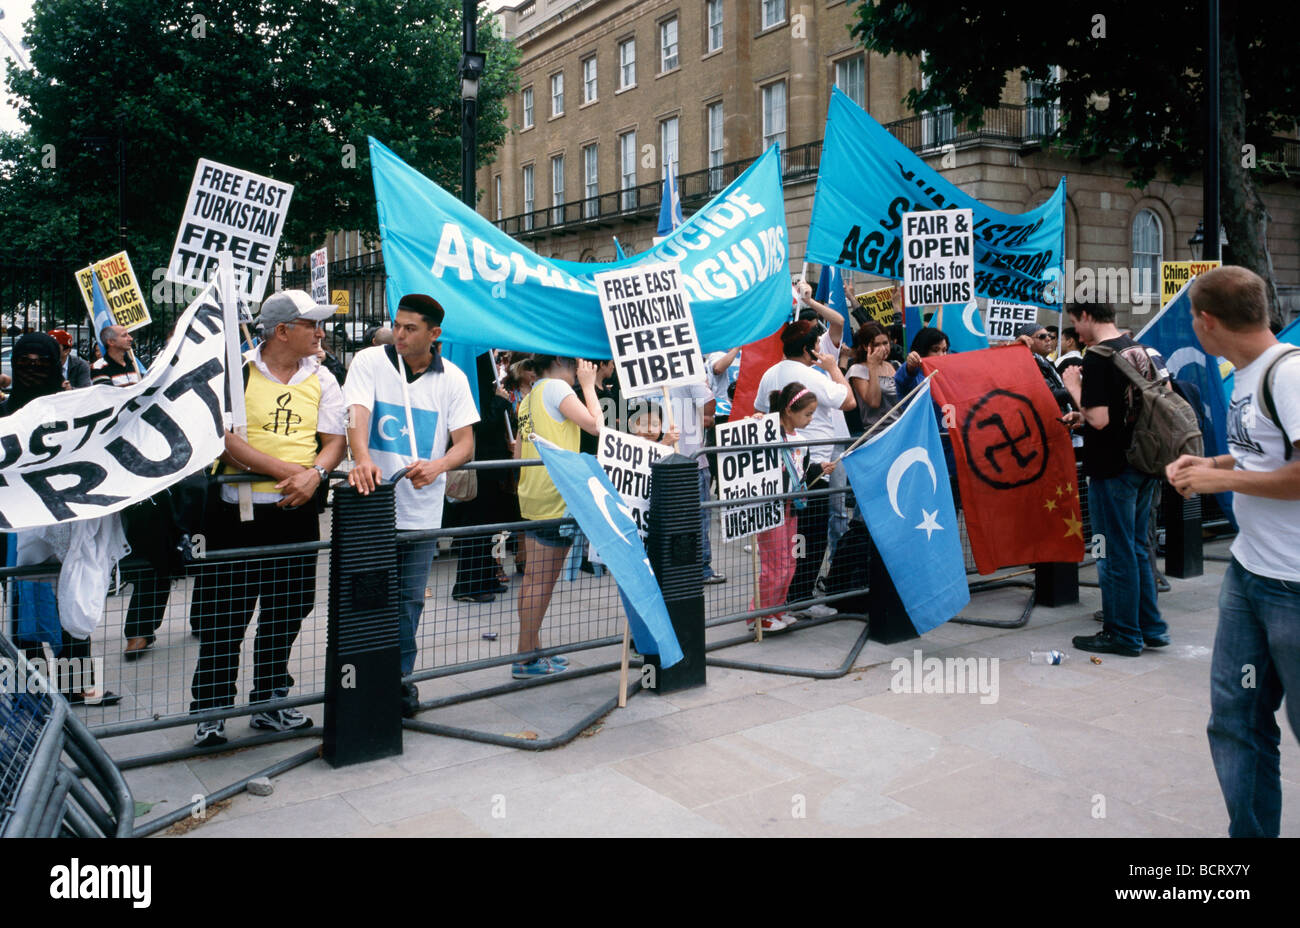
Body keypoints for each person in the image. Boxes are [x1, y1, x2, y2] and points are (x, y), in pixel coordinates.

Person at [1165, 265, 1300, 838]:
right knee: (1236, 719)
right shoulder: (1247, 373)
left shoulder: (1288, 375)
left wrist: (1225, 482)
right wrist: (1212, 465)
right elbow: (1261, 457)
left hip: (1293, 585)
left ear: (1206, 321)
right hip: (1249, 575)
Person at [189, 290, 347, 747]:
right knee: (225, 613)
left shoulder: (324, 378)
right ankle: (212, 707)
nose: (320, 332)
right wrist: (293, 474)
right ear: (282, 331)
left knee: (288, 609)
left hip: (296, 514)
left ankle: (271, 701)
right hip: (235, 514)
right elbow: (225, 441)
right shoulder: (234, 373)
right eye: (310, 324)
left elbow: (334, 440)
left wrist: (316, 475)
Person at [345, 294, 478, 714]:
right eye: (396, 325)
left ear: (434, 334)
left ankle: (399, 679)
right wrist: (362, 456)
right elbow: (356, 413)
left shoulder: (452, 378)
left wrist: (438, 465)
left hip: (420, 512)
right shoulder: (369, 362)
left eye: (410, 328)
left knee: (408, 599)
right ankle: (359, 678)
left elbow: (466, 444)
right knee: (364, 594)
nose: (398, 334)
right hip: (371, 504)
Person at [3, 333, 122, 705]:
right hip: (19, 530)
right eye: (26, 362)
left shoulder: (72, 409)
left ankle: (80, 687)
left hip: (67, 521)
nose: (34, 369)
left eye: (43, 362)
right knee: (24, 607)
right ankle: (31, 689)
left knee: (74, 599)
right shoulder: (5, 416)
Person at [1061, 302, 1171, 657]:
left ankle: (1122, 632)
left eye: (1076, 322)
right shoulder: (1137, 349)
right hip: (1145, 462)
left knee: (1112, 551)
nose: (1075, 331)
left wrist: (1074, 386)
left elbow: (1100, 420)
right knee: (1138, 546)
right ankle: (1151, 627)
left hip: (1112, 468)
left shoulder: (1097, 357)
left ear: (1088, 317)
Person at [755, 319, 855, 617]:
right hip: (811, 466)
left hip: (782, 466)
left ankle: (785, 597)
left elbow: (760, 410)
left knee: (789, 540)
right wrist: (834, 368)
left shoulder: (770, 372)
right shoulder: (813, 376)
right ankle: (801, 597)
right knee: (810, 535)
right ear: (811, 349)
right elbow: (848, 400)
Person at [513, 355, 603, 678]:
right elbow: (596, 425)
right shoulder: (556, 388)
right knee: (542, 581)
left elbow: (518, 451)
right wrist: (590, 388)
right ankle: (525, 657)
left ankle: (532, 649)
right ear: (562, 359)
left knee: (534, 578)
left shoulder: (530, 396)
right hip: (555, 494)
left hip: (533, 494)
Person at [749, 382, 834, 633]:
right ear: (789, 410)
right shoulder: (767, 432)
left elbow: (803, 475)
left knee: (789, 562)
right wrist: (755, 423)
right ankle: (761, 615)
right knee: (773, 563)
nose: (810, 419)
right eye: (807, 414)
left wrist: (819, 470)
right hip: (769, 508)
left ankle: (777, 609)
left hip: (791, 509)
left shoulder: (802, 440)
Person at [847, 322, 900, 431]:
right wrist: (873, 367)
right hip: (878, 433)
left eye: (885, 343)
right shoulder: (857, 370)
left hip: (901, 428)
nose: (883, 349)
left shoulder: (895, 365)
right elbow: (874, 402)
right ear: (866, 347)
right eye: (876, 345)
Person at [895, 327, 950, 395]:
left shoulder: (946, 375)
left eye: (944, 350)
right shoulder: (913, 374)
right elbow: (904, 379)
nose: (941, 355)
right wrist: (910, 366)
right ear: (922, 351)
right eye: (935, 350)